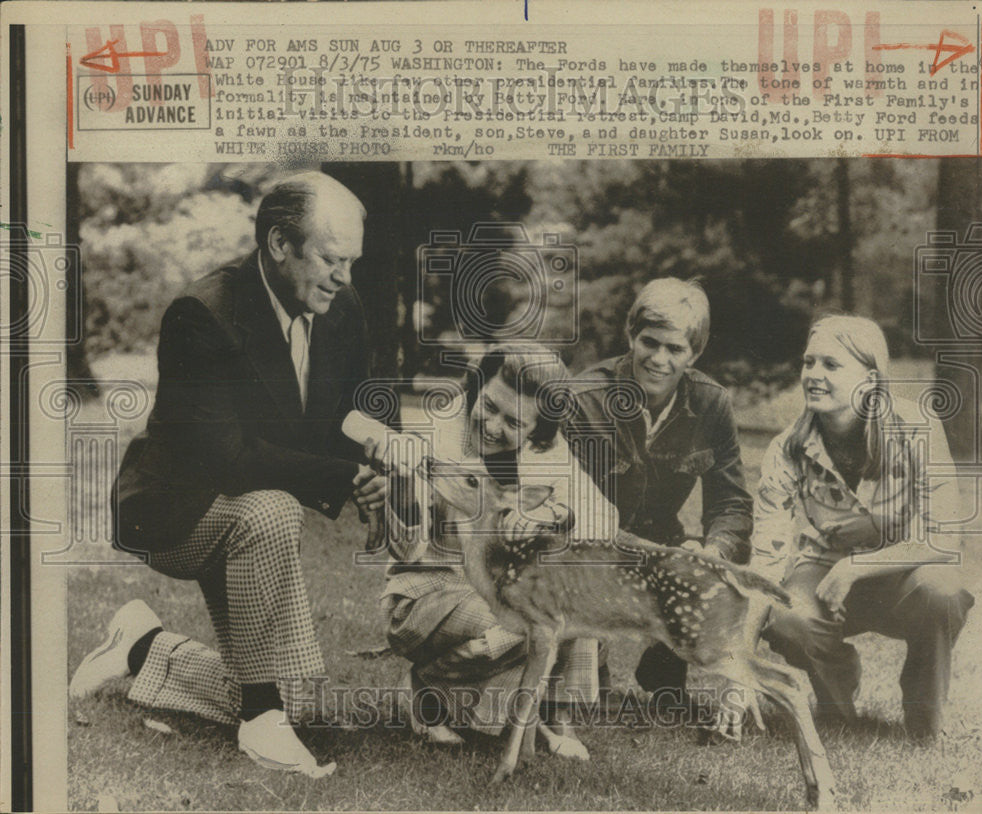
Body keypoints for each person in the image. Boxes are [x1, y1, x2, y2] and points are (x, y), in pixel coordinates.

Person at [69, 172, 385, 776]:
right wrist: (340, 478)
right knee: (272, 509)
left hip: (248, 503)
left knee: (308, 702)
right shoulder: (202, 313)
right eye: (330, 258)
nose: (345, 277)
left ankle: (141, 645)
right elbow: (228, 458)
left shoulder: (340, 304)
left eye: (352, 261)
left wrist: (378, 459)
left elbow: (349, 408)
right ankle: (261, 721)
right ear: (277, 244)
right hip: (176, 508)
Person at [378, 344, 619, 752]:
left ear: (537, 430)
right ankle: (426, 689)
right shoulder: (438, 432)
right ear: (476, 388)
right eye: (488, 406)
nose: (492, 426)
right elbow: (404, 549)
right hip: (428, 594)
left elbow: (603, 519)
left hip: (493, 590)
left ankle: (553, 715)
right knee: (526, 626)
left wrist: (554, 518)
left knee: (573, 597)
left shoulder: (546, 449)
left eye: (514, 422)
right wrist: (402, 494)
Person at [750, 314, 974, 739]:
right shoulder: (787, 448)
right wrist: (738, 664)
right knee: (783, 615)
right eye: (808, 362)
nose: (813, 375)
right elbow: (766, 559)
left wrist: (854, 568)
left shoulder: (917, 428)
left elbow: (944, 538)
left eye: (831, 365)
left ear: (871, 379)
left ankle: (924, 721)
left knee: (943, 590)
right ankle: (837, 708)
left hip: (903, 575)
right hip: (821, 576)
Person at [568, 277, 753, 706]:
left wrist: (715, 551)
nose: (659, 359)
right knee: (584, 702)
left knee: (716, 558)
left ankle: (665, 665)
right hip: (591, 547)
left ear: (696, 355)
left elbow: (731, 503)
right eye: (650, 343)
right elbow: (560, 504)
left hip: (663, 544)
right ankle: (588, 659)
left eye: (676, 350)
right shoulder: (583, 399)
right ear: (630, 336)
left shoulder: (712, 404)